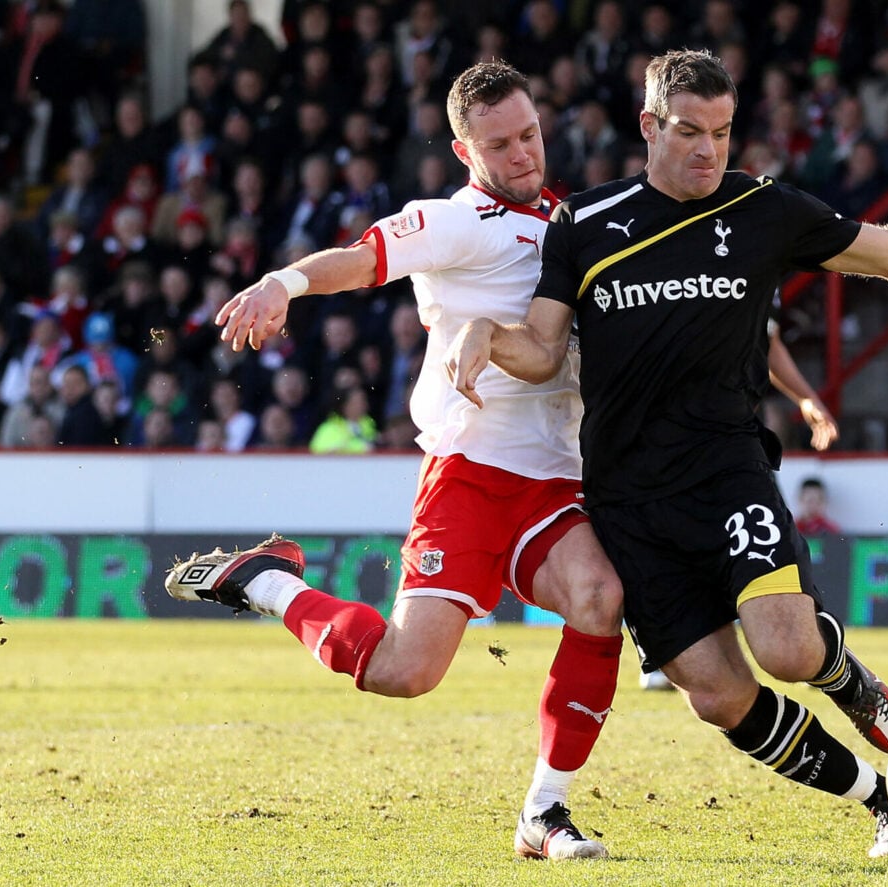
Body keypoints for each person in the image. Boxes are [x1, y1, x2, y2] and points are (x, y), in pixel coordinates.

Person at [447, 49, 888, 858]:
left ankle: (845, 678)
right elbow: (543, 350)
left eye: (721, 132)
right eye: (688, 131)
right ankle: (882, 803)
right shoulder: (583, 223)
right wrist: (483, 337)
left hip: (727, 473)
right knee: (719, 696)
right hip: (628, 503)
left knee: (787, 648)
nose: (708, 151)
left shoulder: (764, 209)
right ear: (650, 126)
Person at [162, 61, 623, 862]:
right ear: (462, 149)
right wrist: (282, 283)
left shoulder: (572, 221)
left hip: (554, 480)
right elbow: (363, 256)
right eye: (502, 144)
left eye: (530, 136)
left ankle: (545, 811)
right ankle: (268, 581)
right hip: (470, 475)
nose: (523, 155)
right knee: (405, 672)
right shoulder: (455, 221)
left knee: (598, 596)